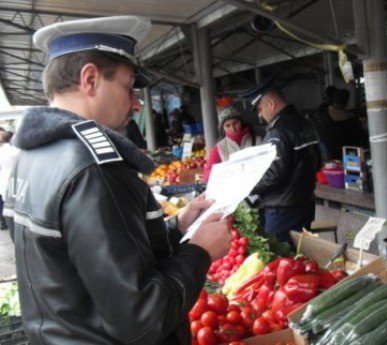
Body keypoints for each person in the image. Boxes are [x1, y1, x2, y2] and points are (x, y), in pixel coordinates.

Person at [2, 16, 231, 344]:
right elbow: (143, 319)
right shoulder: (95, 170)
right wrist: (200, 252)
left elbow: (81, 262)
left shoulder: (31, 157)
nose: (137, 102)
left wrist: (176, 227)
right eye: (128, 86)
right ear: (90, 79)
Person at [241, 79, 321, 245]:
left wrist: (248, 188)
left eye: (260, 109)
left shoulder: (278, 131)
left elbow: (274, 175)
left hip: (283, 209)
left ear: (271, 103)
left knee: (279, 256)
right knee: (299, 253)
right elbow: (318, 162)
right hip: (305, 203)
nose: (259, 115)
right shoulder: (305, 123)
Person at [202, 105, 261, 182]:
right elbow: (206, 176)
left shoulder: (258, 140)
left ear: (241, 122)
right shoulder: (219, 148)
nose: (232, 128)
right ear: (223, 128)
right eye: (227, 125)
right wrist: (226, 169)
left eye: (235, 123)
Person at [324, 88, 364, 159]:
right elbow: (359, 137)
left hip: (331, 156)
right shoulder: (351, 122)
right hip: (350, 156)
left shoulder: (325, 115)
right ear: (346, 103)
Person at [0, 130, 17, 231]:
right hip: (12, 174)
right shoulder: (14, 150)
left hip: (3, 175)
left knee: (4, 200)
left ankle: (5, 222)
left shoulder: (1, 151)